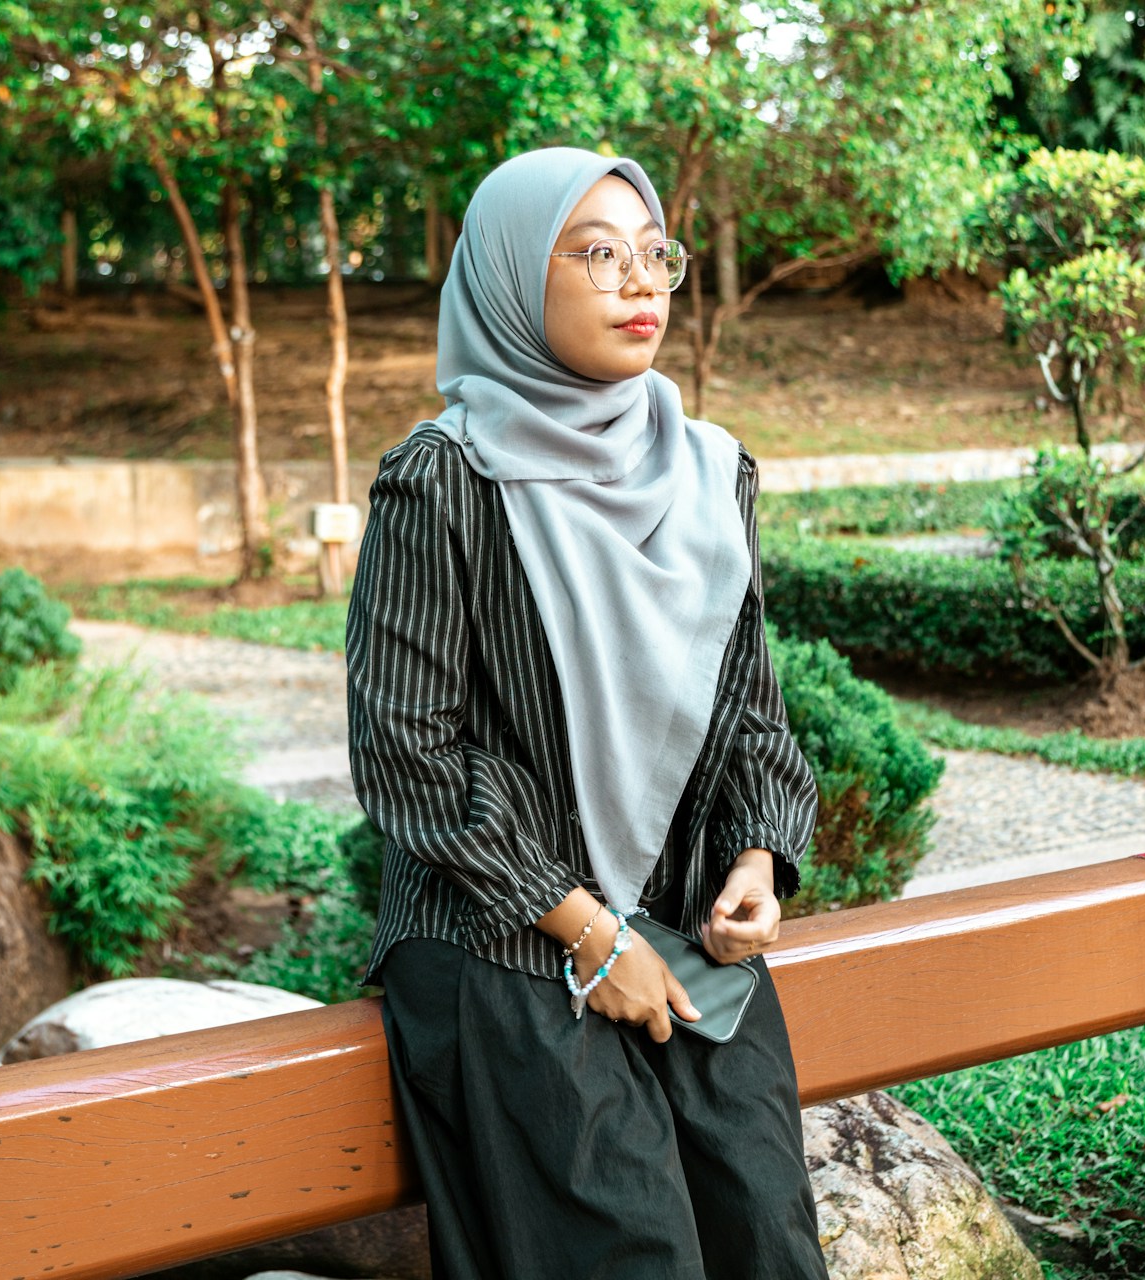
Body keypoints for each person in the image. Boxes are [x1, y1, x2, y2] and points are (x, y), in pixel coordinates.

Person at [346, 145, 827, 1280]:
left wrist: (758, 856)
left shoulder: (712, 472)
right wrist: (589, 932)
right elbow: (406, 753)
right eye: (597, 253)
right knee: (627, 1248)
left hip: (679, 915)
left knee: (770, 1234)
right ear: (512, 277)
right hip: (502, 929)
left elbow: (749, 707)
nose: (640, 281)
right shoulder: (442, 481)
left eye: (655, 252)